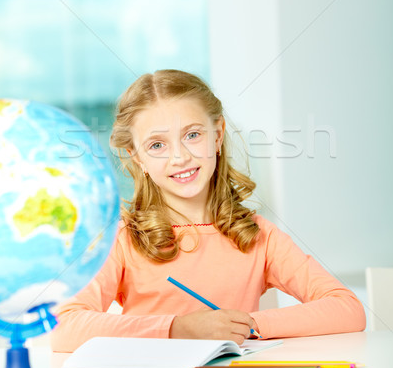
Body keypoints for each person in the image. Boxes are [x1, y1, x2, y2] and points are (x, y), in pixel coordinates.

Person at [51, 69, 365, 353]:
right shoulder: (124, 238)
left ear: (217, 135)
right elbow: (65, 328)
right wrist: (177, 329)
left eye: (192, 135)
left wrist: (244, 325)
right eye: (157, 145)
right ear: (137, 158)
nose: (180, 157)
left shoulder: (258, 235)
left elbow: (348, 309)